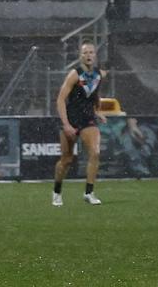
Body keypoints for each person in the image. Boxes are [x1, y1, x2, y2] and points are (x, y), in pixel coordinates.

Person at [52, 41, 107, 206]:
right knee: (66, 160)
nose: (89, 55)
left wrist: (98, 112)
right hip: (72, 118)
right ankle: (56, 191)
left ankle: (89, 193)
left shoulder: (99, 74)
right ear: (80, 56)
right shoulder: (74, 74)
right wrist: (66, 124)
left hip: (88, 119)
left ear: (95, 55)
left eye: (91, 52)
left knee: (95, 153)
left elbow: (94, 95)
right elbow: (61, 100)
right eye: (85, 53)